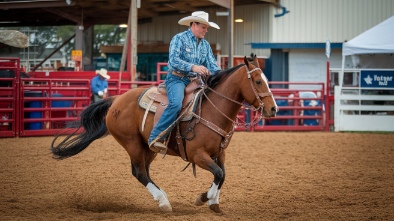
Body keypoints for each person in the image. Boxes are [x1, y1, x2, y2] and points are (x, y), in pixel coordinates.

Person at [148, 11, 221, 152]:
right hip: (177, 79)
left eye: (207, 28)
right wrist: (193, 67)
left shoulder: (205, 45)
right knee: (175, 104)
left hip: (196, 81)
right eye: (204, 27)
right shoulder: (179, 39)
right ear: (194, 25)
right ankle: (156, 136)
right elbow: (173, 61)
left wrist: (224, 75)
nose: (206, 31)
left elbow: (212, 66)